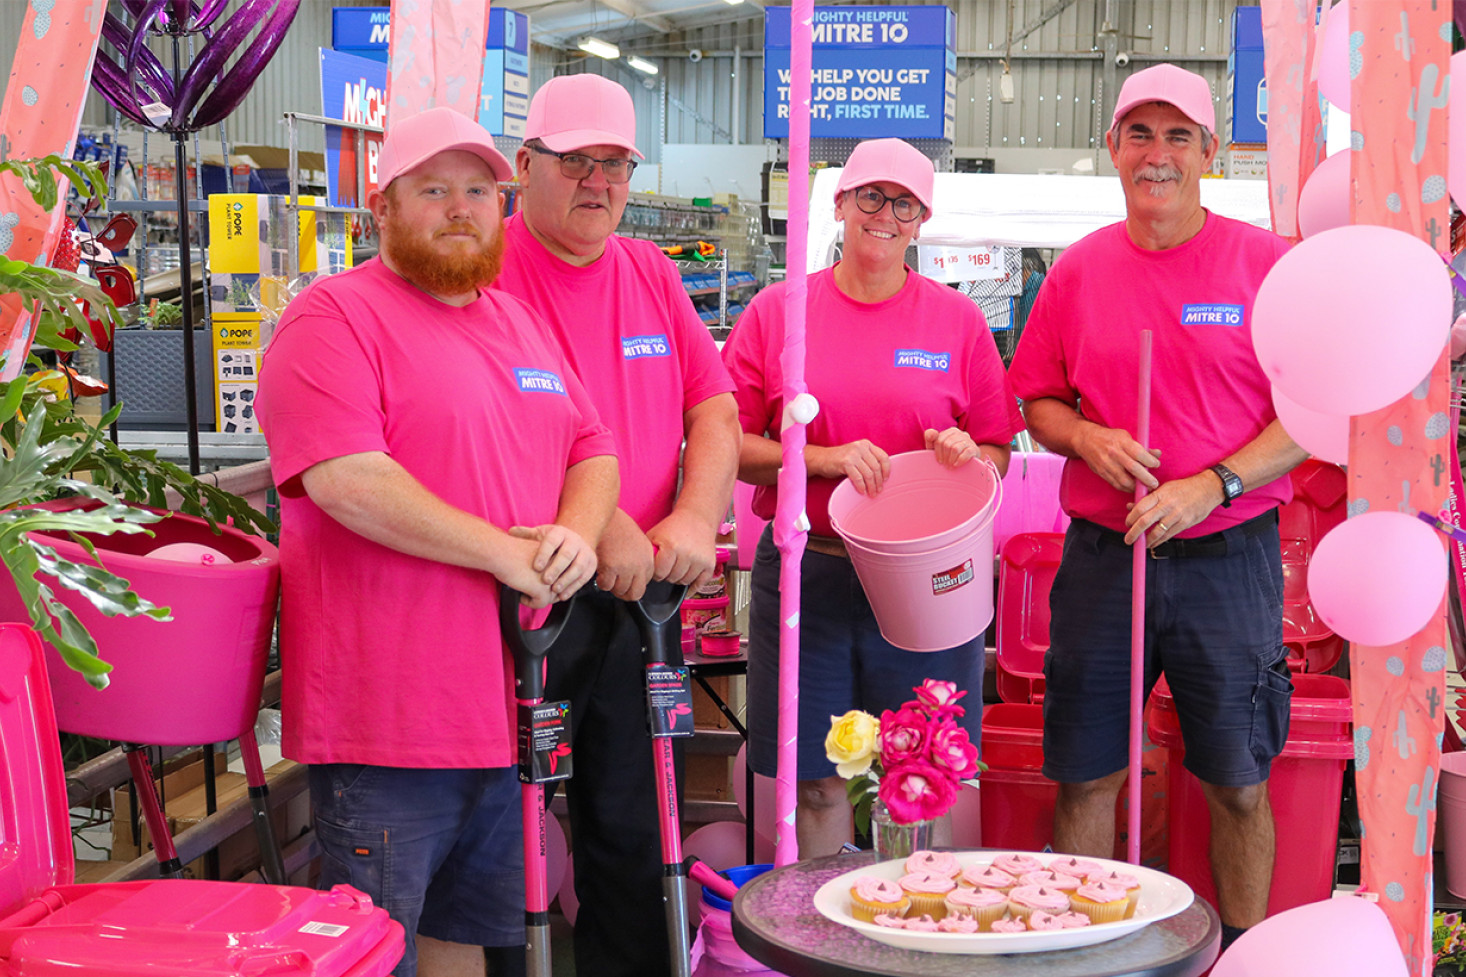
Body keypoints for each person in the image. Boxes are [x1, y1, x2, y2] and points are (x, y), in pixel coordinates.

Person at [258, 106, 619, 977]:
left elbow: (593, 444)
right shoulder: (332, 318)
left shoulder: (517, 322)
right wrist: (505, 552)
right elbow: (347, 478)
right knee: (371, 950)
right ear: (382, 209)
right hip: (388, 719)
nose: (460, 208)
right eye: (433, 190)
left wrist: (576, 528)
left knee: (467, 940)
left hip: (506, 709)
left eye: (477, 191)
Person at [1006, 64, 1307, 950]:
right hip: (1105, 556)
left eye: (1179, 136)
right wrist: (1087, 439)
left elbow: (1310, 417)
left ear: (1212, 152)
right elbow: (1038, 401)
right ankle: (1081, 952)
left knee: (1238, 778)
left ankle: (1242, 952)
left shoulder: (1267, 267)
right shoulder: (1079, 273)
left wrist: (1212, 484)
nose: (1158, 154)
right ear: (1113, 149)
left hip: (1230, 556)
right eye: (1140, 134)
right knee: (1089, 776)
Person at [492, 74, 740, 977]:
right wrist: (594, 532)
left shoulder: (649, 272)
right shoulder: (483, 267)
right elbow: (481, 435)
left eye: (616, 164)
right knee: (502, 831)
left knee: (635, 829)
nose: (598, 181)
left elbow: (714, 407)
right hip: (523, 599)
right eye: (576, 161)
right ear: (526, 165)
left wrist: (693, 516)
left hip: (644, 607)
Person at [722, 137, 1024, 858]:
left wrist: (963, 454)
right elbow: (726, 440)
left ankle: (918, 944)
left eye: (904, 204)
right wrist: (820, 457)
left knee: (921, 774)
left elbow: (996, 452)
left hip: (925, 582)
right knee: (820, 783)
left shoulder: (956, 322)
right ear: (840, 205)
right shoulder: (777, 313)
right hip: (810, 572)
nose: (885, 215)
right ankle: (832, 951)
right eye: (870, 197)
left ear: (921, 220)